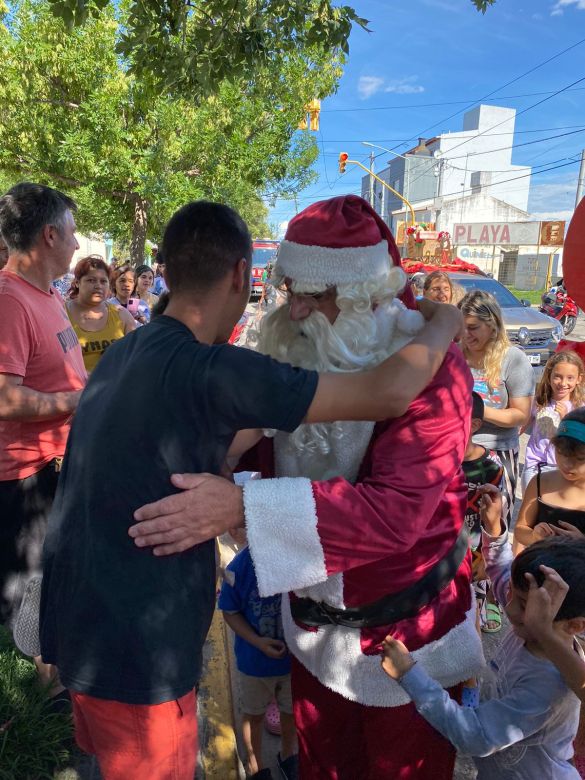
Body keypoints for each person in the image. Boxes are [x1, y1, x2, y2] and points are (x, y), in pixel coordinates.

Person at [40, 197, 463, 780]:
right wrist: (446, 321)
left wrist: (240, 502)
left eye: (320, 296)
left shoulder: (129, 350)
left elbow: (395, 509)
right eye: (294, 293)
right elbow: (379, 395)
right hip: (140, 652)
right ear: (244, 275)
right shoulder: (218, 367)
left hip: (395, 639)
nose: (297, 314)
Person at [381, 490, 585, 779]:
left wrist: (410, 676)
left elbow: (475, 737)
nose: (509, 610)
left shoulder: (547, 684)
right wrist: (495, 530)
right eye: (514, 597)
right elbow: (503, 576)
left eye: (524, 605)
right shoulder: (534, 624)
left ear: (574, 625)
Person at [0, 182, 86, 701]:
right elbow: (5, 399)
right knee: (32, 596)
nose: (77, 245)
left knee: (51, 589)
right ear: (50, 234)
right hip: (26, 478)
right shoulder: (9, 300)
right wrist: (79, 403)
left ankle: (52, 680)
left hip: (55, 466)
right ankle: (41, 703)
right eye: (73, 233)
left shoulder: (46, 293)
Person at [218, 536, 298, 780]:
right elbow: (230, 612)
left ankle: (287, 755)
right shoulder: (238, 569)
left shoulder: (295, 561)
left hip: (291, 662)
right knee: (253, 715)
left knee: (290, 712)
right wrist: (257, 642)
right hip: (254, 665)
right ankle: (255, 765)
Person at [459, 290, 534, 522]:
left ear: (492, 325)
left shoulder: (513, 359)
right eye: (461, 326)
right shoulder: (454, 355)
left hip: (498, 453)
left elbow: (521, 415)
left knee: (494, 522)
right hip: (459, 452)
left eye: (473, 327)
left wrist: (480, 411)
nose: (465, 334)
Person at [462, 392, 505, 635]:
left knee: (472, 618)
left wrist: (489, 560)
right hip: (444, 550)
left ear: (475, 425)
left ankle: (489, 600)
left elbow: (499, 518)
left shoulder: (492, 466)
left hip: (477, 550)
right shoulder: (436, 461)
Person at [515, 407, 585, 548]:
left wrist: (580, 543)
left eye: (579, 458)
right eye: (561, 453)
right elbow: (520, 529)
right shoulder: (541, 482)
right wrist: (534, 537)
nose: (567, 464)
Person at [522, 350, 584, 491]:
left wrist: (565, 419)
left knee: (551, 510)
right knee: (531, 506)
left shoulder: (579, 408)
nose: (563, 383)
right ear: (549, 375)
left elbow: (578, 442)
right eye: (557, 377)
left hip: (562, 468)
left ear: (579, 379)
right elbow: (521, 425)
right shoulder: (539, 402)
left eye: (570, 378)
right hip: (534, 466)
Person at [66, 256, 136, 373]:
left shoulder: (122, 315)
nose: (98, 286)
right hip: (74, 389)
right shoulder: (61, 314)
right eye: (91, 280)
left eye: (103, 281)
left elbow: (134, 357)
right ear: (77, 283)